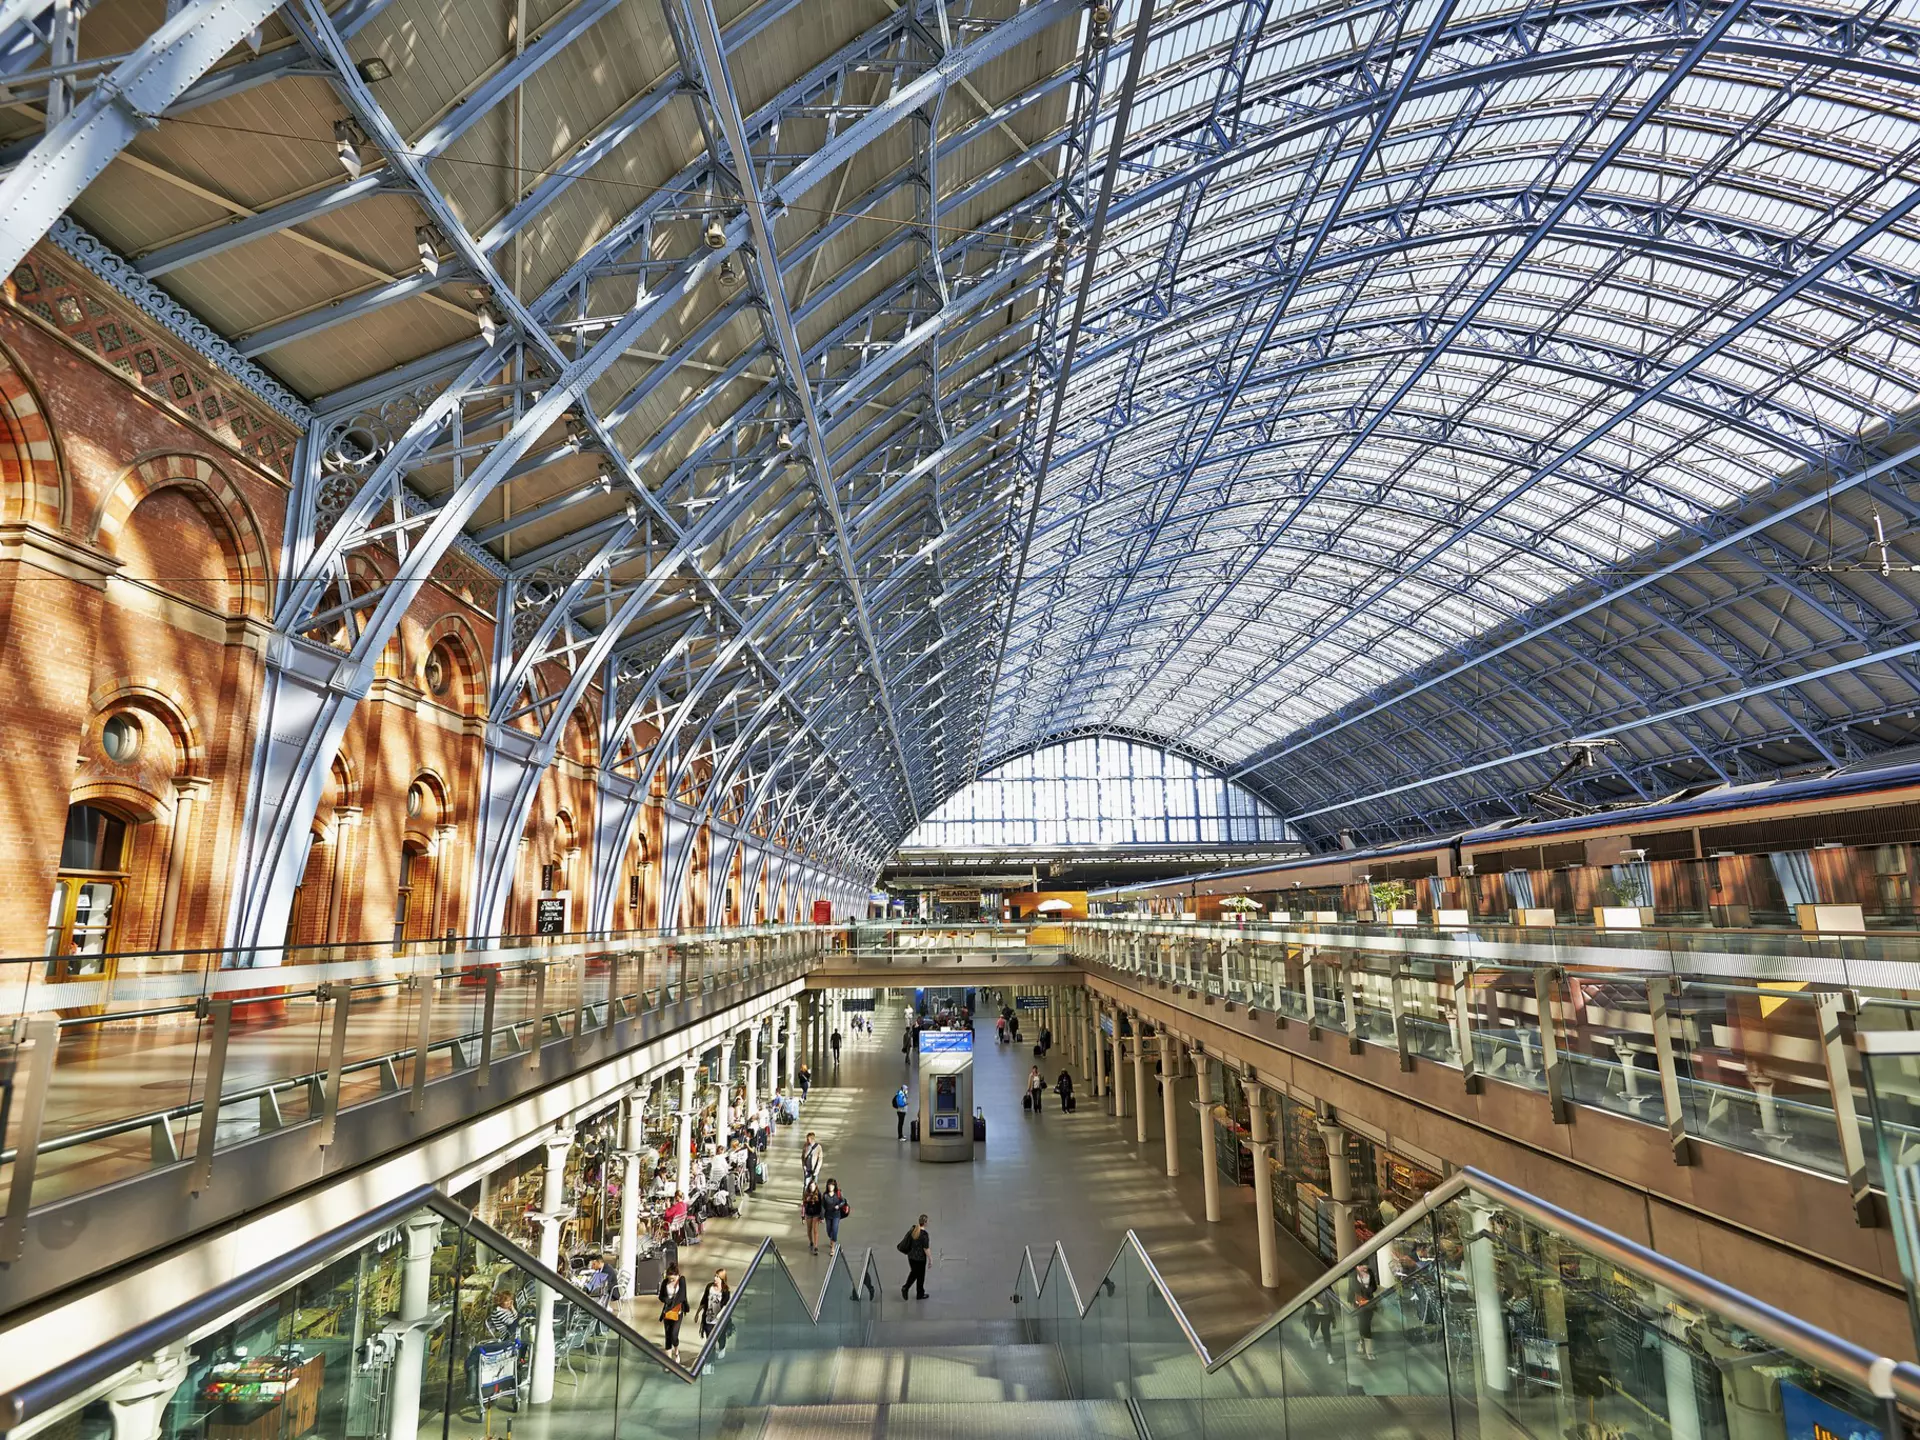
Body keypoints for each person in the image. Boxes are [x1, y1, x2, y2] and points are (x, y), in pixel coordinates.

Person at [658, 1261, 690, 1362]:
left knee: (674, 1334)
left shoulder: (682, 1280)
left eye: (673, 1278)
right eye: (669, 1279)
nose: (671, 1280)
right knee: (668, 1335)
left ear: (677, 1275)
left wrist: (672, 1304)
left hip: (678, 1311)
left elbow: (682, 1296)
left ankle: (676, 1351)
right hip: (667, 1313)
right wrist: (665, 1300)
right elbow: (661, 1296)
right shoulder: (665, 1283)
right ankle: (668, 1361)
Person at [898, 1213, 932, 1300]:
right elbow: (926, 1248)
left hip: (911, 1257)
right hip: (920, 1259)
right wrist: (930, 1259)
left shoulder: (914, 1229)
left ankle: (916, 1291)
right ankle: (910, 1289)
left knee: (914, 1273)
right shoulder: (924, 1235)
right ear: (925, 1223)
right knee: (920, 1276)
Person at [699, 1269, 731, 1358]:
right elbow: (704, 1299)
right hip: (708, 1319)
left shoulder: (726, 1292)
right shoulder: (709, 1287)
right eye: (715, 1276)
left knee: (721, 1337)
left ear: (722, 1279)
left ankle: (722, 1347)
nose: (715, 1278)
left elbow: (725, 1305)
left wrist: (720, 1314)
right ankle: (710, 1361)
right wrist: (698, 1312)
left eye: (718, 1277)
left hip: (719, 1320)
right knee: (710, 1342)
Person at [1350, 1264, 1377, 1360]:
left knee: (1367, 1325)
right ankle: (1366, 1347)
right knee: (1362, 1324)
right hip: (1359, 1304)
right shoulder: (1353, 1275)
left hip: (1369, 1303)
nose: (1366, 1268)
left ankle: (1366, 1347)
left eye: (1366, 1267)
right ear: (1358, 1266)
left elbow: (1374, 1287)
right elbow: (1353, 1289)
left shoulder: (1370, 1273)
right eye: (1363, 1267)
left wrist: (1368, 1290)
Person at [823, 1179, 849, 1255]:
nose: (830, 1187)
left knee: (835, 1229)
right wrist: (821, 1217)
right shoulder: (825, 1195)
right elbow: (823, 1206)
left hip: (836, 1215)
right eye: (829, 1185)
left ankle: (833, 1247)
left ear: (834, 1186)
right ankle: (831, 1238)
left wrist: (839, 1206)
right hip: (828, 1215)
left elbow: (843, 1201)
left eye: (832, 1186)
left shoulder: (838, 1194)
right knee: (828, 1230)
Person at [802, 1182, 825, 1254]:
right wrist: (803, 1217)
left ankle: (815, 1246)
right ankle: (811, 1241)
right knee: (809, 1230)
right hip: (808, 1214)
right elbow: (803, 1206)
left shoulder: (818, 1194)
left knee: (815, 1230)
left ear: (815, 1186)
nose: (811, 1188)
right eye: (810, 1186)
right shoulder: (806, 1194)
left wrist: (822, 1216)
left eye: (813, 1186)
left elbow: (822, 1206)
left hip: (816, 1214)